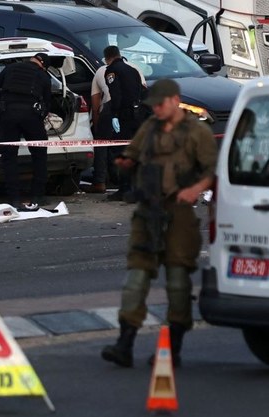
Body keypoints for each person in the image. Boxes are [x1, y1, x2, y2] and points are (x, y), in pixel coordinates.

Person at [101, 79, 217, 368]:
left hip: (178, 213)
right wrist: (126, 164)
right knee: (136, 279)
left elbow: (213, 170)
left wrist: (195, 189)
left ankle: (172, 348)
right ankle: (124, 343)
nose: (156, 108)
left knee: (177, 282)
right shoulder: (150, 127)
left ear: (175, 100)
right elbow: (132, 154)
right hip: (147, 212)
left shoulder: (196, 132)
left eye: (160, 103)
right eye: (153, 103)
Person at [0, 52, 52, 211]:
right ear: (43, 65)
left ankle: (14, 198)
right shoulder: (43, 76)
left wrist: (0, 100)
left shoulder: (10, 68)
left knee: (9, 157)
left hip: (8, 115)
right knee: (39, 155)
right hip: (31, 117)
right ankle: (37, 196)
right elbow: (48, 103)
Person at [82, 56, 145, 195]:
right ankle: (132, 184)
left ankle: (100, 182)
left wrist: (98, 126)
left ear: (107, 60)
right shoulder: (135, 68)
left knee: (102, 144)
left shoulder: (102, 71)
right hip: (134, 111)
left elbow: (96, 101)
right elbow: (143, 90)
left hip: (112, 109)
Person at [103, 45, 147, 201]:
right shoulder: (133, 70)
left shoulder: (111, 71)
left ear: (108, 58)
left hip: (124, 116)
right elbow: (142, 92)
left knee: (121, 152)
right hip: (138, 115)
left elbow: (116, 94)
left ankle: (124, 189)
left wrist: (114, 114)